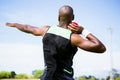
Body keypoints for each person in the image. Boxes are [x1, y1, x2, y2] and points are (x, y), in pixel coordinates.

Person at [6, 5, 106, 80]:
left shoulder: (45, 30)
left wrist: (14, 24)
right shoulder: (74, 38)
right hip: (64, 77)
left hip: (46, 77)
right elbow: (100, 47)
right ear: (73, 17)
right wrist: (83, 30)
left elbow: (27, 28)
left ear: (58, 17)